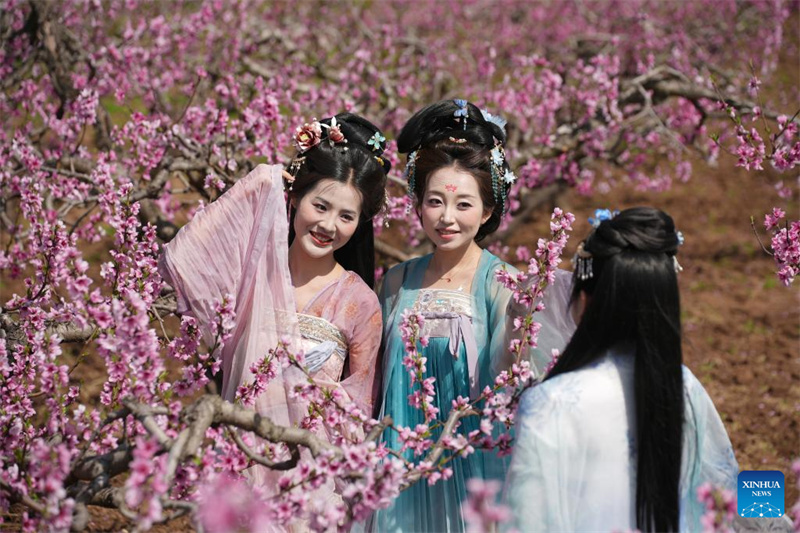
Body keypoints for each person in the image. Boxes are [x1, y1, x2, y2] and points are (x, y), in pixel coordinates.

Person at [372, 99, 574, 533]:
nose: (447, 218)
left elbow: (515, 382)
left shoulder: (501, 283)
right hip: (399, 466)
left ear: (487, 211)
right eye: (434, 202)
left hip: (473, 467)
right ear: (417, 204)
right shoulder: (394, 283)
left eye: (464, 205)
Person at [504, 207, 739, 532]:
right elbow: (726, 484)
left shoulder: (550, 402)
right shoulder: (683, 385)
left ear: (584, 301)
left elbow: (525, 521)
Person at [158, 112, 390, 431]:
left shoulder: (359, 302)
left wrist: (303, 393)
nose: (328, 225)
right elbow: (183, 254)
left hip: (311, 466)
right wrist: (267, 178)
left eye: (346, 216)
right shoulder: (252, 276)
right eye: (320, 206)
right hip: (238, 454)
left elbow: (362, 407)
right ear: (294, 196)